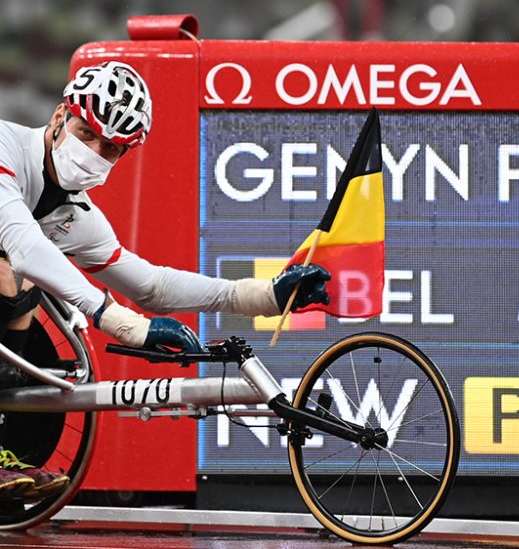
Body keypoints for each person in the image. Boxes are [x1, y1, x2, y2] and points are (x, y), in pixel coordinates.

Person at [0, 61, 330, 497]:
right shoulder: (6, 146)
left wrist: (264, 295)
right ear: (60, 116)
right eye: (86, 133)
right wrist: (122, 322)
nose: (93, 151)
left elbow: (150, 286)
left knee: (20, 284)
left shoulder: (79, 219)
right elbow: (23, 244)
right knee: (11, 272)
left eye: (110, 147)